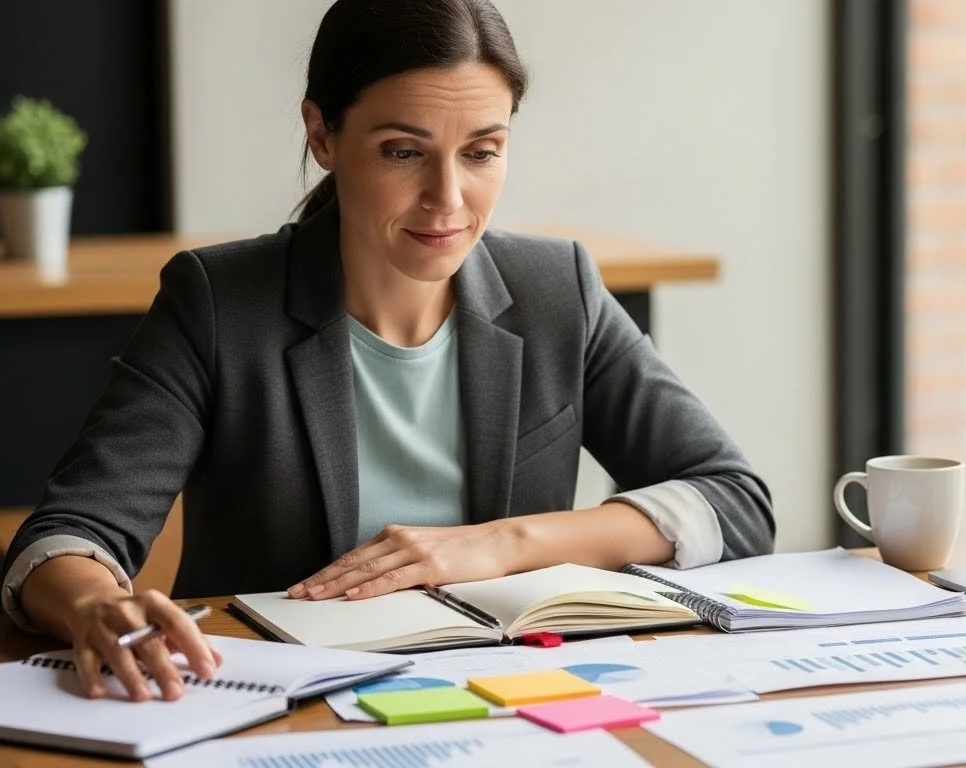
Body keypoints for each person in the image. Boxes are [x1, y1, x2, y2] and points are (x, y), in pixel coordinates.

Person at [0, 0, 773, 703]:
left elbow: (734, 501)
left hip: (508, 701)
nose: (448, 197)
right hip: (276, 709)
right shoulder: (218, 302)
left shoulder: (555, 290)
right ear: (322, 134)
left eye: (481, 151)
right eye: (404, 152)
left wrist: (503, 544)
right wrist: (98, 606)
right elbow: (68, 535)